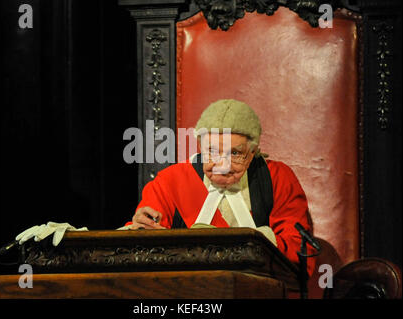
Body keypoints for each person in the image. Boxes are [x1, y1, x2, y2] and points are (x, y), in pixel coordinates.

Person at [122, 99, 316, 276]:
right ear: (199, 147)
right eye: (212, 152)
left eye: (235, 153)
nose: (222, 165)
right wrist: (141, 232)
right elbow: (141, 248)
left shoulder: (277, 178)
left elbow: (300, 253)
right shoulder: (170, 180)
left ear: (252, 152)